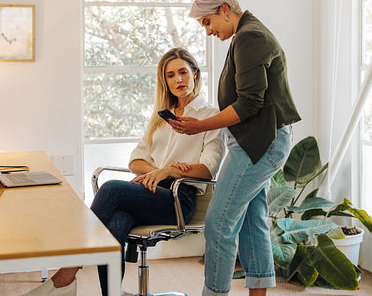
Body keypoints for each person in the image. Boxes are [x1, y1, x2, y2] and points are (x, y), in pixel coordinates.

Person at [23, 47, 224, 296]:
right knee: (115, 226)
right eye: (170, 75)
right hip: (149, 193)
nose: (178, 80)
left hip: (178, 200)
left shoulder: (211, 116)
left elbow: (207, 169)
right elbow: (135, 160)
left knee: (110, 189)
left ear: (195, 73)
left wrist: (169, 172)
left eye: (183, 72)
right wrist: (158, 172)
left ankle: (66, 273)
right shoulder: (162, 117)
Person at [167, 0, 301, 296]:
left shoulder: (249, 37)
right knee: (252, 223)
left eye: (207, 22)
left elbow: (249, 103)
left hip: (259, 145)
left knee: (219, 223)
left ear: (225, 9)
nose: (208, 31)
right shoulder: (247, 34)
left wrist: (200, 125)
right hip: (257, 143)